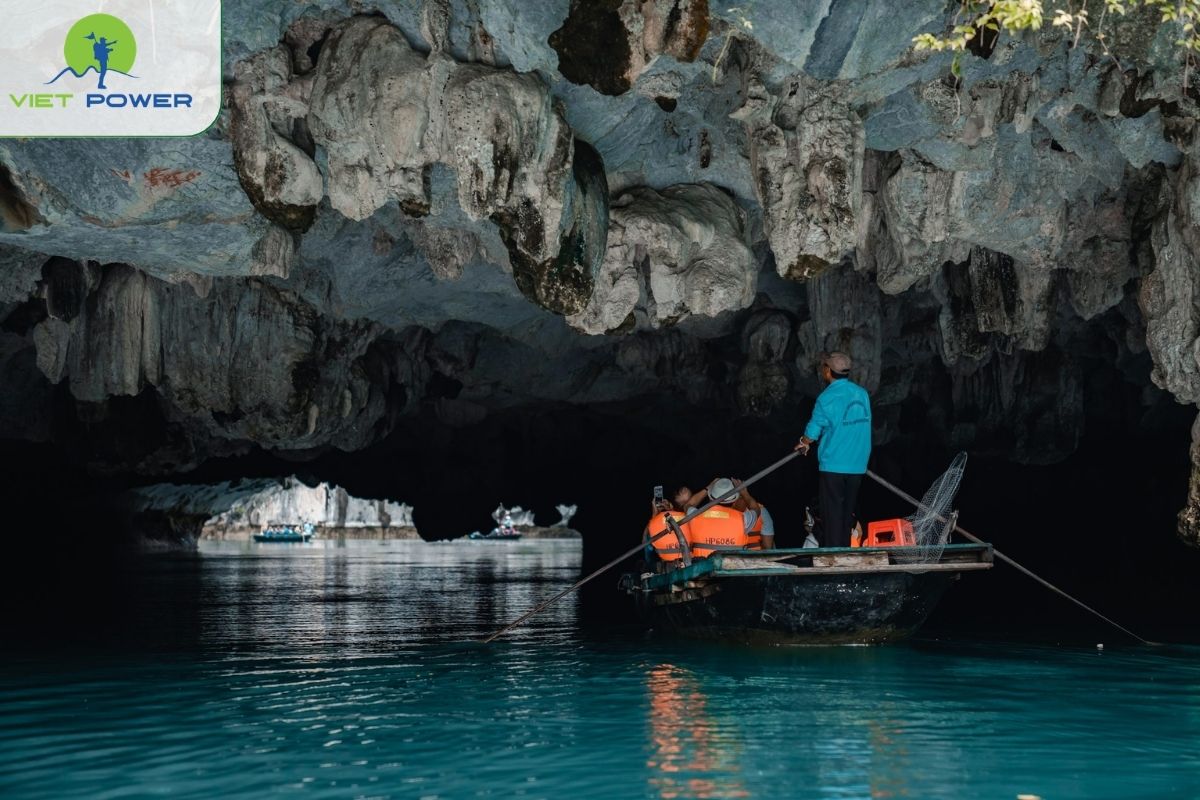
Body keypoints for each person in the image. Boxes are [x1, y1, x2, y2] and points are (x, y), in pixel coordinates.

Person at [795, 351, 872, 548]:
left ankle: (834, 554)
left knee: (832, 515)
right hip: (858, 464)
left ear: (827, 371)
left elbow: (814, 429)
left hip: (834, 464)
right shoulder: (862, 394)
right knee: (848, 512)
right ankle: (845, 549)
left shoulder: (826, 397)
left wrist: (804, 442)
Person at [674, 481, 776, 549]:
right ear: (734, 500)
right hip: (734, 568)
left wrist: (708, 488)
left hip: (706, 572)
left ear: (710, 498)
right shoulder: (744, 520)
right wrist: (745, 493)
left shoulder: (696, 516)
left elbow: (688, 505)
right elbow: (755, 510)